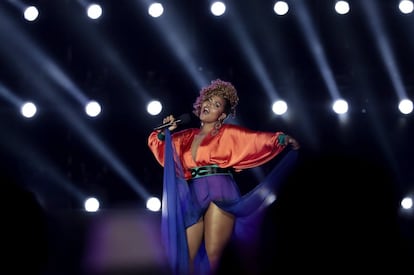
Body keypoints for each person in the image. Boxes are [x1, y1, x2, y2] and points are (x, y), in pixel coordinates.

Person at [147, 79, 300, 275]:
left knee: (214, 254)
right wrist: (163, 133)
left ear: (223, 115)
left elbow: (254, 140)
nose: (209, 105)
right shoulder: (185, 137)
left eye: (217, 105)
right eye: (208, 101)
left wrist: (280, 139)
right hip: (193, 192)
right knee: (185, 255)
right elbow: (161, 148)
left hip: (220, 189)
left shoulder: (228, 133)